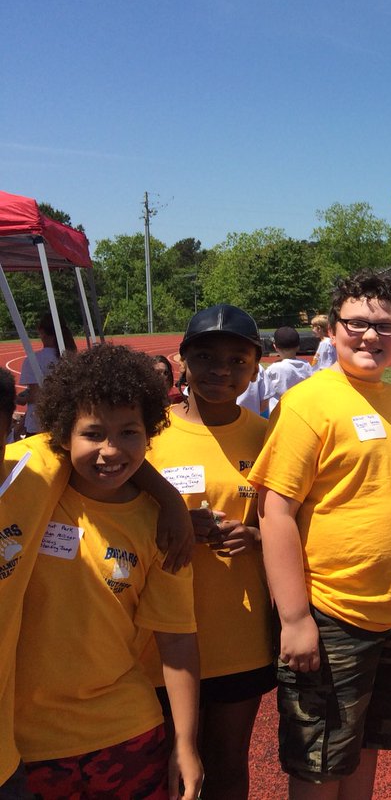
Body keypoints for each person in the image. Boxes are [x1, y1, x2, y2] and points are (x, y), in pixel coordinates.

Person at [251, 269, 391, 799]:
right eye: (356, 323)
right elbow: (274, 511)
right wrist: (296, 618)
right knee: (320, 761)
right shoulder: (310, 402)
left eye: (386, 326)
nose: (371, 336)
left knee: (366, 745)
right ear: (331, 329)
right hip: (333, 614)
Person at [14, 344, 201, 800]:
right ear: (62, 434)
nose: (111, 450)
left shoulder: (160, 527)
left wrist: (185, 743)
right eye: (93, 433)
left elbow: (176, 639)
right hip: (26, 743)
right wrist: (169, 494)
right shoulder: (30, 486)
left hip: (127, 732)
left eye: (130, 433)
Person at [144, 304, 274, 800]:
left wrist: (257, 538)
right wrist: (169, 518)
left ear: (254, 366)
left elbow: (291, 525)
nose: (221, 370)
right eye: (206, 356)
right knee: (164, 767)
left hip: (238, 634)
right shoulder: (149, 433)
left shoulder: (267, 437)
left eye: (237, 360)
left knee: (227, 762)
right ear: (183, 360)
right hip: (158, 635)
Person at [16, 312, 77, 436]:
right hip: (66, 420)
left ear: (42, 332)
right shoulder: (70, 357)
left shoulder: (34, 360)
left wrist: (19, 399)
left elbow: (37, 397)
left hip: (39, 424)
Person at [261, 326, 314, 416]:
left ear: (275, 347)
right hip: (302, 411)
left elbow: (263, 390)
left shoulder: (274, 369)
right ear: (298, 346)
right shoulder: (306, 365)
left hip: (280, 413)